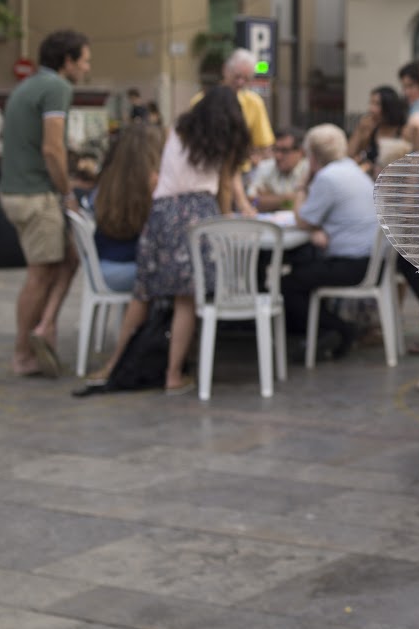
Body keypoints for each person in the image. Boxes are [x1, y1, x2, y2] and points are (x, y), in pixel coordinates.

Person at [87, 87, 252, 393]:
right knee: (186, 300)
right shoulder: (224, 140)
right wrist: (226, 219)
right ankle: (173, 375)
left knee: (143, 292)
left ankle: (113, 365)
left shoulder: (176, 130)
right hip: (199, 215)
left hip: (162, 212)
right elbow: (225, 187)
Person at [0, 29, 90, 378]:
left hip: (18, 191)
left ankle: (46, 326)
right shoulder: (57, 88)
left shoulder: (28, 85)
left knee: (68, 257)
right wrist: (68, 193)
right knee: (40, 275)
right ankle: (23, 353)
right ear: (67, 61)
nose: (86, 69)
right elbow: (53, 148)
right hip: (36, 194)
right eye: (84, 61)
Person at [281, 124, 380, 357]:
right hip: (370, 259)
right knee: (303, 264)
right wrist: (316, 228)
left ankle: (337, 329)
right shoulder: (352, 169)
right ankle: (316, 330)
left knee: (287, 285)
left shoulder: (327, 177)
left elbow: (302, 219)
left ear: (312, 157)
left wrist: (301, 186)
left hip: (352, 263)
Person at [194, 49, 275, 216]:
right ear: (225, 70)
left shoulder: (254, 102)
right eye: (237, 76)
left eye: (246, 78)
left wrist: (250, 154)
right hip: (208, 175)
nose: (240, 82)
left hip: (241, 174)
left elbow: (264, 145)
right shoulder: (203, 103)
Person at [89, 124, 165, 293]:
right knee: (180, 276)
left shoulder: (105, 185)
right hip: (129, 269)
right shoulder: (152, 188)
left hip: (100, 267)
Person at [348, 86, 410, 175]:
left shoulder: (403, 131)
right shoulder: (370, 129)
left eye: (377, 104)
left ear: (389, 107)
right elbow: (349, 155)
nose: (371, 109)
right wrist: (360, 130)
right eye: (371, 103)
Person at [246, 128, 309, 212]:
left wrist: (268, 198)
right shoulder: (265, 167)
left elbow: (307, 205)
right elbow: (252, 202)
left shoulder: (309, 170)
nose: (278, 156)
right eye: (276, 149)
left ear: (300, 152)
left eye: (285, 151)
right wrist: (288, 199)